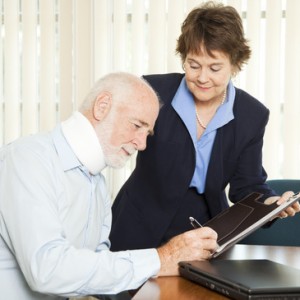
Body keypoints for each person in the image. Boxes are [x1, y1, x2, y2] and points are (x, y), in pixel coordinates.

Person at [0, 72, 218, 300]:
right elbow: (47, 269)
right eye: (137, 125)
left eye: (147, 132)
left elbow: (97, 267)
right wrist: (161, 259)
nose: (142, 144)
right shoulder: (26, 160)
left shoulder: (97, 183)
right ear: (102, 106)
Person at [110, 1, 300, 252]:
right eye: (194, 65)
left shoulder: (251, 115)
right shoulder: (152, 92)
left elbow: (248, 185)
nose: (202, 77)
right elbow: (115, 140)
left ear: (235, 63)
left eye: (215, 68)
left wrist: (271, 204)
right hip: (138, 224)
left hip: (204, 230)